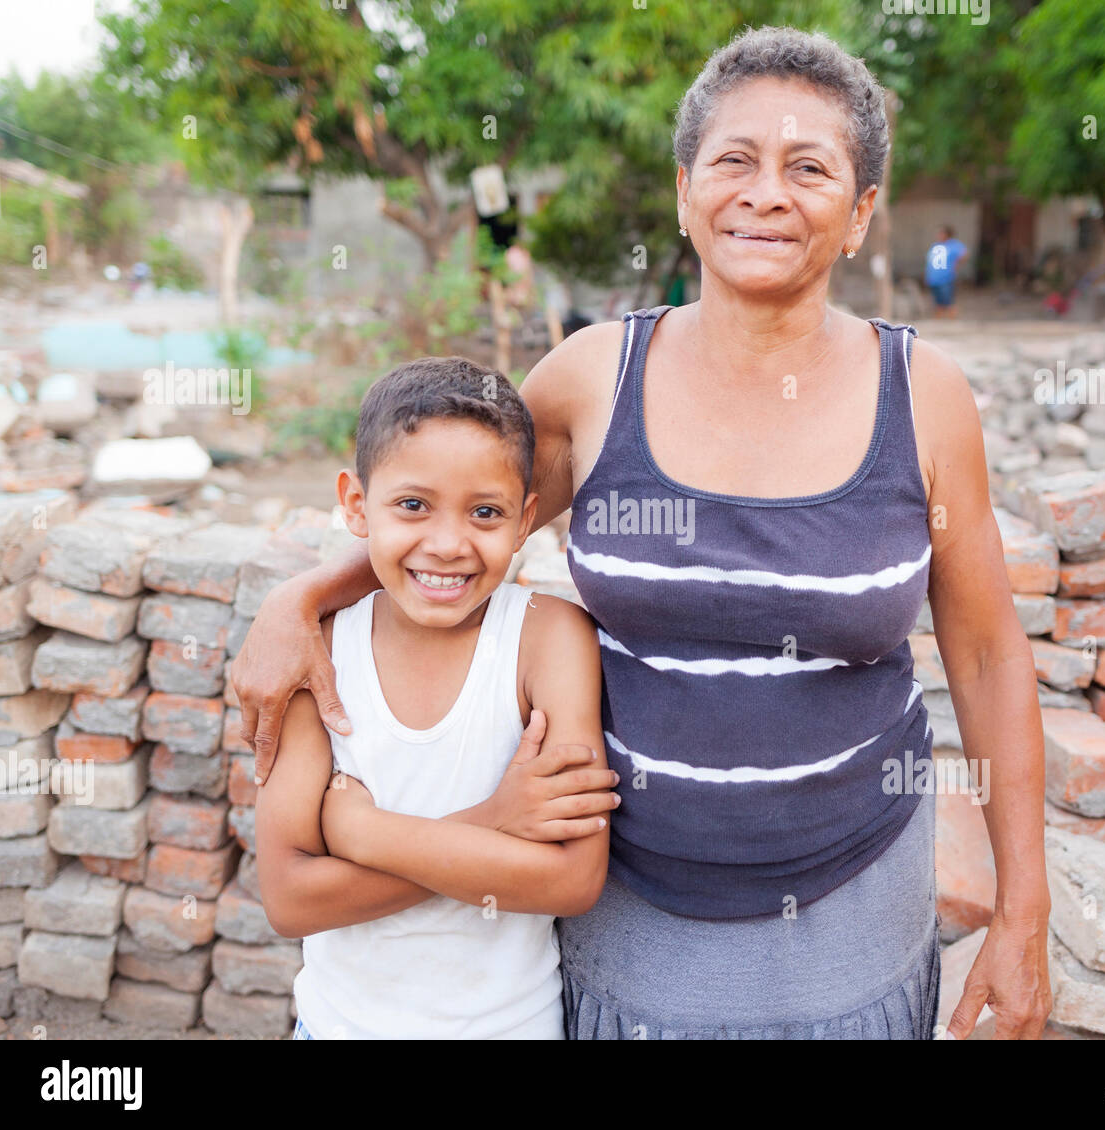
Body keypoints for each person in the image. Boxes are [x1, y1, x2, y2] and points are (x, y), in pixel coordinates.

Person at [235, 25, 1051, 1041]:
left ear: (861, 212)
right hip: (630, 903)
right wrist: (303, 597)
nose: (764, 193)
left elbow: (983, 652)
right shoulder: (590, 380)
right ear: (683, 191)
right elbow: (464, 516)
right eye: (734, 161)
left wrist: (1025, 914)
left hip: (851, 891)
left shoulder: (922, 395)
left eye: (808, 167)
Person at [254, 358, 616, 1039]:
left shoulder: (548, 639)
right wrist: (493, 822)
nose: (448, 545)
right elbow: (290, 898)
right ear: (357, 505)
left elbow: (571, 881)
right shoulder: (321, 657)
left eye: (485, 512)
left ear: (524, 520)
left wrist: (365, 834)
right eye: (413, 505)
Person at [924, 226, 968, 318]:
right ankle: (939, 321)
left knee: (948, 301)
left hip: (946, 278)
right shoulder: (936, 245)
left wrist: (955, 264)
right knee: (937, 302)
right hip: (934, 278)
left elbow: (964, 254)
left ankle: (953, 320)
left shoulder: (953, 245)